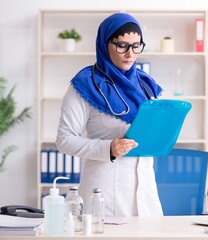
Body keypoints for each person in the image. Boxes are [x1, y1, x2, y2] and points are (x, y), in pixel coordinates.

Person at [56, 12, 163, 217]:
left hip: (146, 192)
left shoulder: (146, 84)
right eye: (122, 45)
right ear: (106, 44)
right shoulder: (85, 85)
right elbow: (64, 139)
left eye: (136, 45)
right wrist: (109, 148)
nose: (130, 54)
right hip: (104, 193)